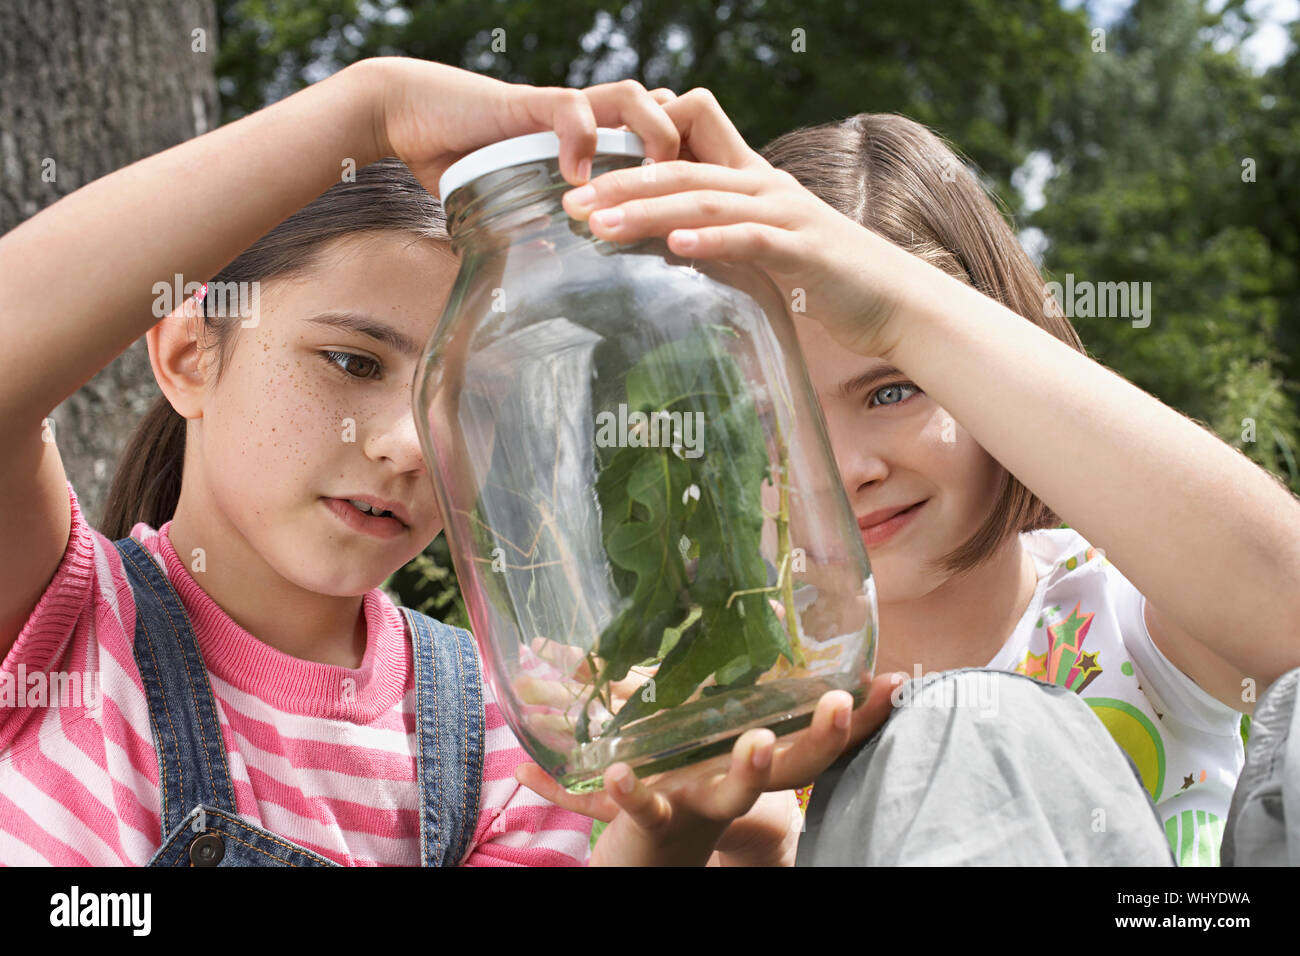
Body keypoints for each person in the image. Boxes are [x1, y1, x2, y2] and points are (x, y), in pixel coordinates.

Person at [0, 57, 872, 867]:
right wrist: (368, 108)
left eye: (467, 400)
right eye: (352, 361)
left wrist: (674, 836)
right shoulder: (63, 623)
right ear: (191, 355)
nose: (409, 445)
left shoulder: (502, 738)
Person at [532, 97, 1300, 865]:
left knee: (971, 720)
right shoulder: (751, 706)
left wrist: (902, 307)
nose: (847, 473)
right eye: (774, 419)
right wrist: (682, 831)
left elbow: (1285, 600)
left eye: (893, 389)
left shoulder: (1129, 613)